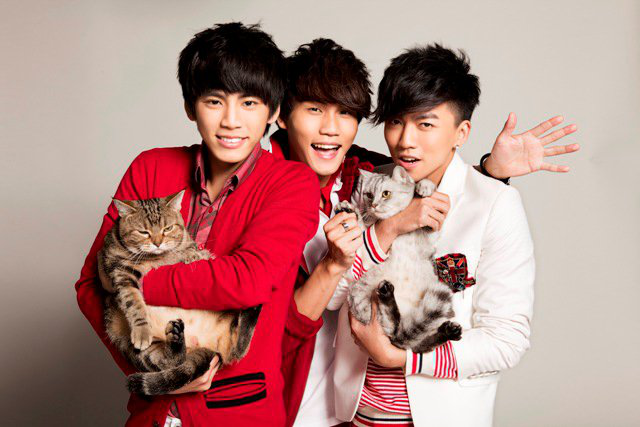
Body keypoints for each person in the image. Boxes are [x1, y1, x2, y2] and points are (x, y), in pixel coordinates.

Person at [275, 41, 578, 427]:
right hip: (353, 414)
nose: (406, 140)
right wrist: (386, 229)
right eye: (396, 122)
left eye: (425, 124)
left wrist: (404, 359)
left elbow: (507, 339)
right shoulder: (370, 184)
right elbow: (334, 297)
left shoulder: (496, 204)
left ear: (461, 132)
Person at [74, 23, 319, 427]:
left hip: (239, 411)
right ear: (191, 106)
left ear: (274, 111)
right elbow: (89, 284)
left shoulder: (292, 183)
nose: (231, 120)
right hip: (153, 412)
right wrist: (153, 370)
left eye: (249, 103)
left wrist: (133, 281)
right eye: (214, 101)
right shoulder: (151, 168)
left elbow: (247, 281)